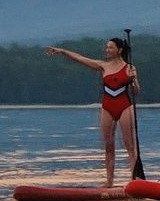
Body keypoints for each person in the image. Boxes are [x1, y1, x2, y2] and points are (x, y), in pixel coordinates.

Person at [46, 38, 140, 186]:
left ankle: (135, 180)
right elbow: (80, 58)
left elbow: (136, 92)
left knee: (130, 145)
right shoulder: (103, 66)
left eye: (110, 47)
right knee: (108, 146)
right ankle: (109, 182)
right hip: (107, 108)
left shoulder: (129, 68)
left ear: (119, 50)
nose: (107, 50)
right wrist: (62, 51)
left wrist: (133, 79)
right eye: (106, 47)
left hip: (125, 107)